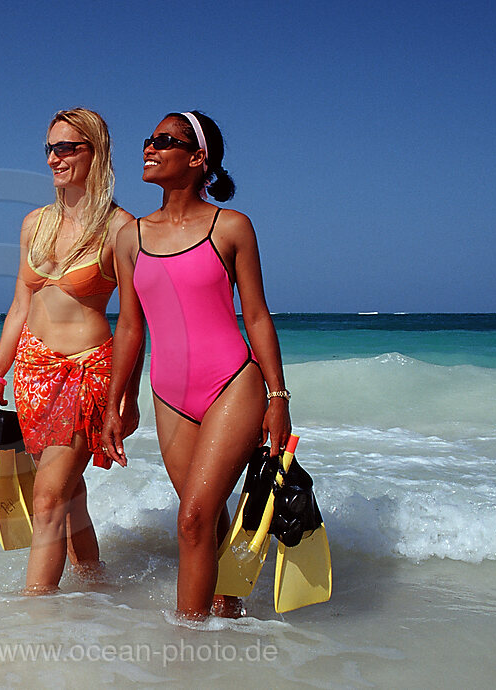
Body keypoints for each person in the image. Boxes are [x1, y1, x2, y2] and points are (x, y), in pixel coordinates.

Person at [101, 111, 291, 620]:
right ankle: (226, 622)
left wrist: (278, 398)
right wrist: (116, 402)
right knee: (206, 521)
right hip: (169, 396)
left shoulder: (231, 227)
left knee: (191, 520)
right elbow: (129, 329)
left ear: (198, 158)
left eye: (165, 141)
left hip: (233, 384)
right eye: (149, 139)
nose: (150, 147)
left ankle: (187, 650)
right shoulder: (130, 238)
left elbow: (255, 315)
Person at [0, 108, 141, 594]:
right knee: (70, 495)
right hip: (32, 374)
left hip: (86, 371)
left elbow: (137, 321)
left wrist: (127, 397)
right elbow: (18, 305)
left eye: (67, 147)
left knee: (48, 496)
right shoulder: (35, 224)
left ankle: (35, 617)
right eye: (50, 148)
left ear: (96, 152)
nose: (55, 157)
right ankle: (96, 589)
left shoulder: (122, 228)